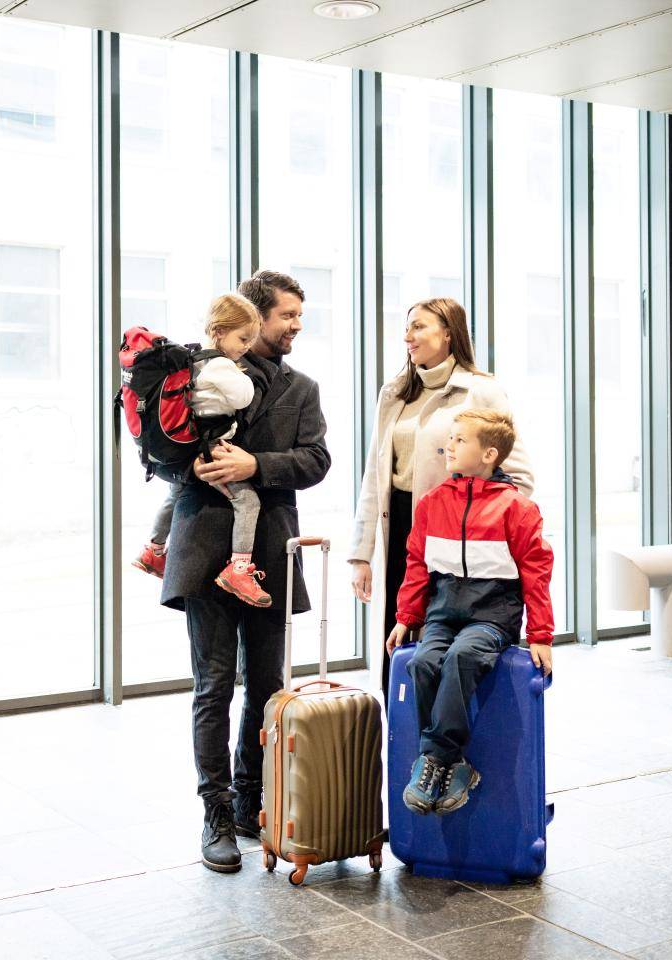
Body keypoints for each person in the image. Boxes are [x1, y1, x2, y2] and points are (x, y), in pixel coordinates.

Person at [159, 270, 331, 873]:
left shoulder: (302, 388)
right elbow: (162, 448)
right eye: (288, 316)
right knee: (212, 687)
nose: (296, 327)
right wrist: (195, 467)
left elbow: (316, 460)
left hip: (272, 551)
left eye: (298, 318)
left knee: (264, 687)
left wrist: (255, 463)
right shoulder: (196, 371)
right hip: (205, 548)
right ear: (256, 318)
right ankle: (215, 811)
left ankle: (249, 800)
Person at [348, 298, 534, 696]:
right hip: (397, 526)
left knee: (439, 642)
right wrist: (361, 553)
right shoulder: (394, 393)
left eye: (418, 326)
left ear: (448, 332)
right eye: (407, 327)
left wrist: (473, 519)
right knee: (395, 635)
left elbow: (518, 477)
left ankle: (444, 747)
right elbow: (374, 475)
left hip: (454, 538)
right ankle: (403, 742)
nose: (407, 336)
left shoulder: (481, 391)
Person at [386, 409, 554, 816]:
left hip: (492, 615)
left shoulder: (516, 509)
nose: (450, 446)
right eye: (451, 439)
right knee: (424, 661)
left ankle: (434, 758)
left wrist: (541, 636)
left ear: (489, 454)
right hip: (443, 611)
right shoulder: (433, 503)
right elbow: (416, 563)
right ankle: (454, 765)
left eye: (461, 440)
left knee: (462, 657)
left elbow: (537, 572)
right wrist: (407, 616)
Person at [131, 293, 271, 608]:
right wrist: (241, 375)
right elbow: (243, 397)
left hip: (192, 446)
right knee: (247, 501)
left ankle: (153, 550)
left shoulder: (197, 359)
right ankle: (238, 569)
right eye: (243, 338)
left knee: (175, 494)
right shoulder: (221, 365)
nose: (247, 346)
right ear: (219, 332)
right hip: (213, 447)